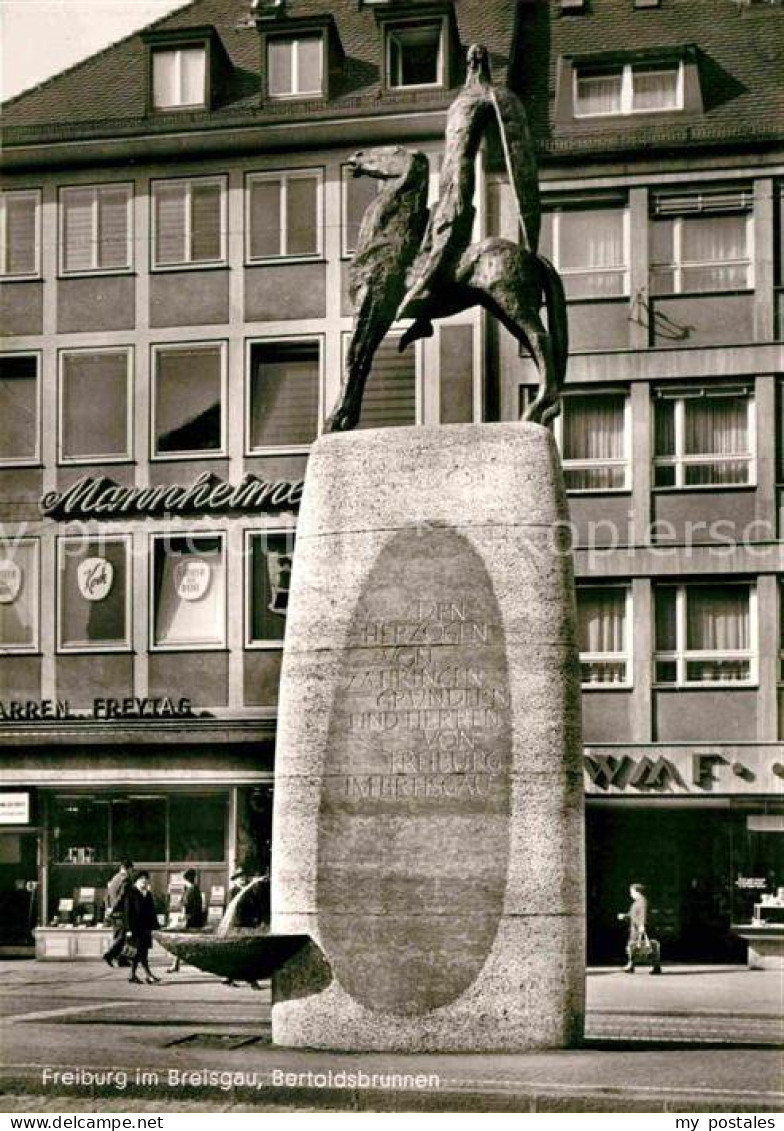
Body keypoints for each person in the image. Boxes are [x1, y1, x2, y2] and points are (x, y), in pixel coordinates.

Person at [125, 871, 161, 984]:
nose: (144, 881)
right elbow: (127, 913)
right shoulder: (131, 893)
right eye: (142, 879)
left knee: (140, 952)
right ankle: (148, 975)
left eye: (146, 879)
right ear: (136, 881)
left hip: (146, 929)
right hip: (135, 928)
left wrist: (156, 926)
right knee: (141, 952)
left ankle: (132, 975)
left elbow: (152, 912)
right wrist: (128, 929)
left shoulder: (148, 894)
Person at [618, 882, 662, 974]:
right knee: (634, 946)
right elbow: (633, 914)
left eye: (632, 891)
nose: (631, 894)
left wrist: (642, 925)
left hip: (639, 928)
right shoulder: (636, 902)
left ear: (637, 892)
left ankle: (654, 966)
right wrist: (625, 916)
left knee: (647, 946)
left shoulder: (642, 901)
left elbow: (643, 914)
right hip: (635, 928)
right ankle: (632, 965)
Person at [166, 868, 204, 974]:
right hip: (193, 921)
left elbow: (187, 906)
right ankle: (176, 964)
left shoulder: (191, 890)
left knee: (182, 943)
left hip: (190, 921)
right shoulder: (191, 889)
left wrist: (183, 916)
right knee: (187, 944)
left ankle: (176, 964)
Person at [102, 858, 133, 968]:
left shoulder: (114, 878)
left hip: (112, 912)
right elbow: (122, 897)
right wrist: (114, 908)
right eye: (131, 870)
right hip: (121, 911)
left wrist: (108, 909)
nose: (131, 872)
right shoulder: (126, 880)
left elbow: (106, 896)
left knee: (117, 934)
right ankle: (109, 955)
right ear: (128, 869)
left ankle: (121, 959)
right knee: (122, 935)